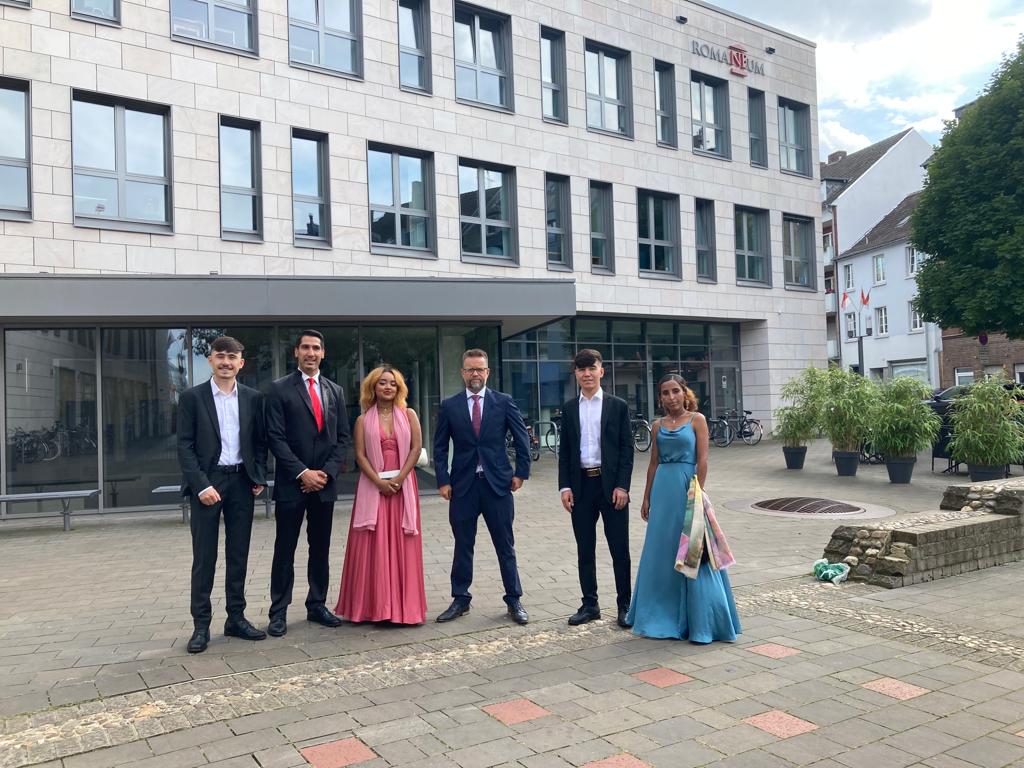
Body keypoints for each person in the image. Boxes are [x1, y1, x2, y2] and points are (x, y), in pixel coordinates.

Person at [627, 374, 741, 643]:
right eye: (665, 393)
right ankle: (657, 613)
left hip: (687, 489)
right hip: (662, 492)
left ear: (684, 392)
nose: (671, 397)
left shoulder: (697, 420)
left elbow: (703, 460)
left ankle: (701, 622)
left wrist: (698, 493)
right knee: (661, 550)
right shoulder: (657, 426)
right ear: (660, 398)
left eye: (675, 391)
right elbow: (653, 463)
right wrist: (646, 498)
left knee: (693, 548)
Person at [177, 336, 268, 654]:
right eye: (220, 356)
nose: (226, 362)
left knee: (238, 554)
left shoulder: (253, 398)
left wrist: (257, 475)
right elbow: (184, 446)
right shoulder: (192, 398)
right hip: (208, 482)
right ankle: (201, 626)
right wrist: (200, 485)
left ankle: (236, 618)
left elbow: (259, 441)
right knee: (204, 557)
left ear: (241, 363)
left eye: (232, 357)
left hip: (241, 481)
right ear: (211, 360)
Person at [433, 349, 531, 625]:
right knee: (463, 545)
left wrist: (521, 473)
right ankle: (460, 598)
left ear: (487, 372)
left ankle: (514, 599)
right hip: (462, 486)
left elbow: (521, 438)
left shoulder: (504, 402)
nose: (475, 374)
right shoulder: (450, 406)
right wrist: (442, 480)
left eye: (480, 369)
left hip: (497, 485)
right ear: (462, 373)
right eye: (470, 369)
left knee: (505, 545)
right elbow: (439, 447)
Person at [266, 330, 352, 637]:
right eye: (305, 347)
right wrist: (302, 472)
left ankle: (317, 605)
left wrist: (325, 473)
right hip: (292, 484)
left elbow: (342, 437)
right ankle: (278, 611)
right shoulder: (278, 389)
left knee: (320, 547)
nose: (311, 353)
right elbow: (275, 437)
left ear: (323, 353)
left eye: (316, 348)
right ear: (296, 352)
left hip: (324, 485)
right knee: (285, 548)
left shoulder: (335, 391)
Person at [335, 366, 426, 625]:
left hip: (402, 488)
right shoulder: (362, 420)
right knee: (371, 546)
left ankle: (404, 610)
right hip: (372, 487)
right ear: (373, 387)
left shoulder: (409, 414)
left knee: (403, 543)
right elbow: (360, 455)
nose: (388, 387)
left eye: (393, 383)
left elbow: (416, 448)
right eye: (383, 383)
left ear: (399, 388)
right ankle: (371, 608)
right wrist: (379, 482)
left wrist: (399, 479)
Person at [557, 349, 634, 628]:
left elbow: (627, 449)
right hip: (581, 487)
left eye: (592, 368)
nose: (587, 374)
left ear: (602, 371)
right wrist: (564, 486)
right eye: (581, 369)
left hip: (611, 487)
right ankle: (590, 604)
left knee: (619, 549)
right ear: (575, 374)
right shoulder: (569, 408)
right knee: (585, 549)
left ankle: (625, 605)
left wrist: (623, 486)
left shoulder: (617, 406)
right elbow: (565, 452)